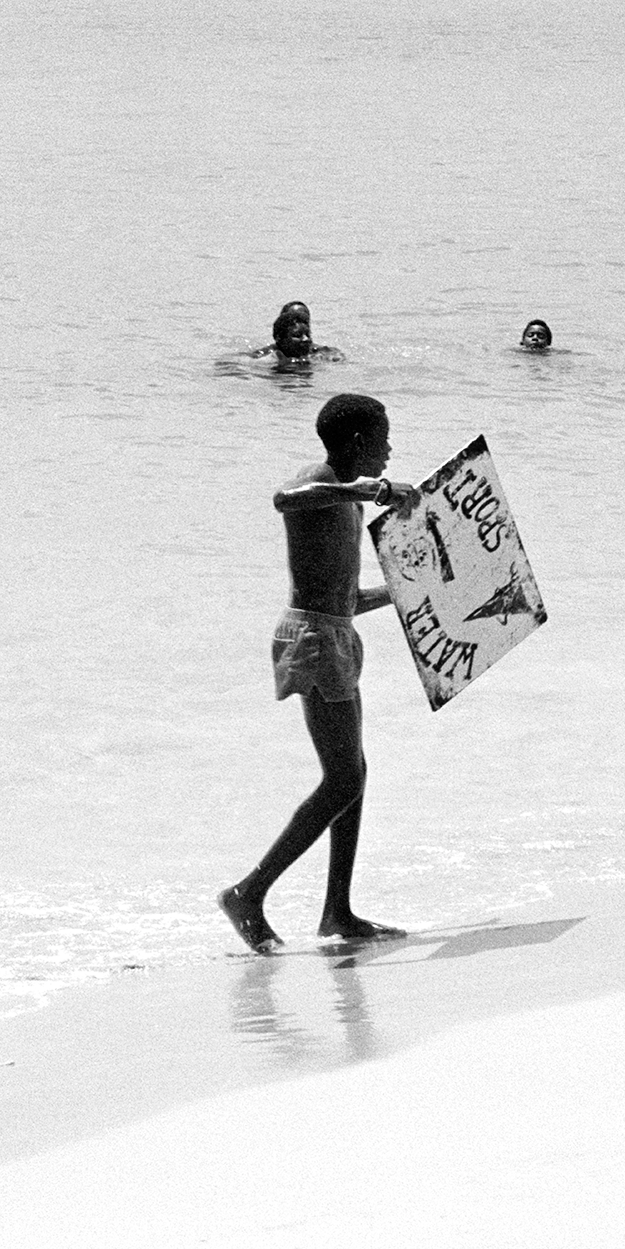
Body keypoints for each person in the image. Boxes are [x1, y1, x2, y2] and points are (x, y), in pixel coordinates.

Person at [218, 393, 413, 954]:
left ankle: (337, 910)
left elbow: (347, 597)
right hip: (308, 636)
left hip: (335, 633)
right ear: (356, 442)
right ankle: (248, 893)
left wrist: (406, 595)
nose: (390, 450)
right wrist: (371, 490)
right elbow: (285, 499)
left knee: (355, 773)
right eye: (384, 438)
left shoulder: (347, 502)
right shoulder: (322, 481)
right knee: (344, 779)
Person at [250, 301, 344, 365]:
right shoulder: (268, 354)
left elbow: (338, 358)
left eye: (304, 318)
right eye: (293, 317)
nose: (305, 339)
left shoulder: (318, 352)